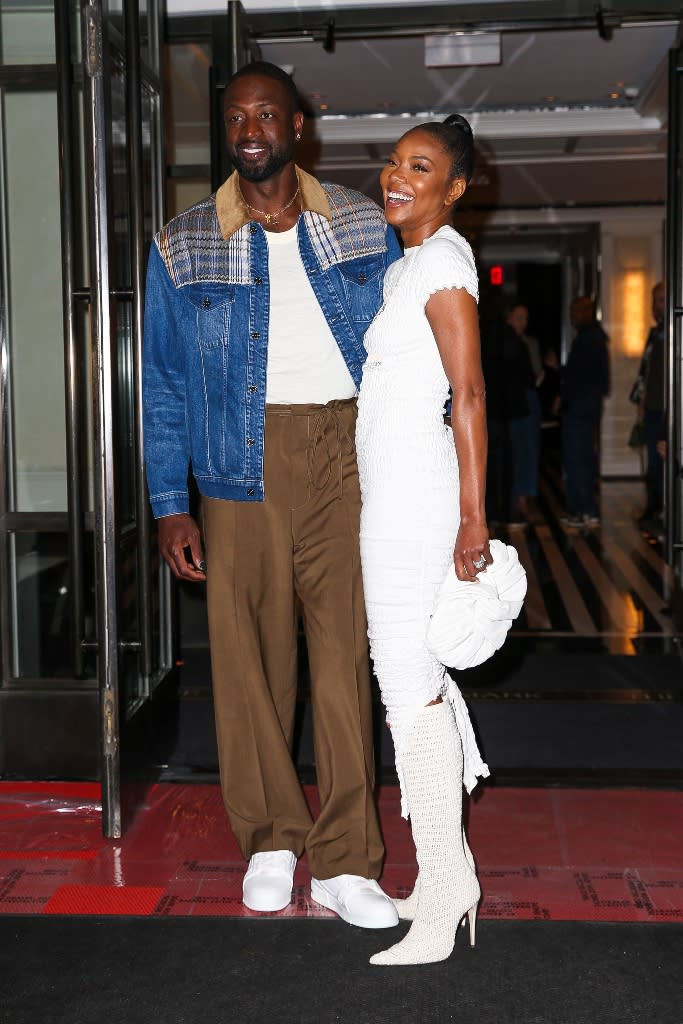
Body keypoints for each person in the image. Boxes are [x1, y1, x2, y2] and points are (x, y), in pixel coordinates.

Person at [142, 61, 403, 929]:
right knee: (250, 663)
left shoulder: (364, 226)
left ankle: (345, 859)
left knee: (342, 662)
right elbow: (165, 383)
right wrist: (167, 500)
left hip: (345, 454)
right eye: (234, 117)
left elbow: (408, 360)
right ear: (225, 130)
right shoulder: (183, 241)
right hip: (233, 465)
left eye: (265, 113)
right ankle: (270, 841)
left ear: (298, 125)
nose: (249, 128)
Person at [356, 114, 490, 965]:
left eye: (420, 167)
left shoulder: (440, 263)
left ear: (453, 189)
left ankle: (442, 897)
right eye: (394, 162)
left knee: (405, 685)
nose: (396, 177)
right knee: (412, 678)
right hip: (396, 496)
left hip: (417, 502)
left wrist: (473, 519)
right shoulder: (412, 265)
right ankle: (449, 876)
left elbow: (468, 393)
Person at [560, 296, 610, 527]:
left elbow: (579, 376)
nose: (572, 316)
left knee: (577, 459)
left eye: (575, 311)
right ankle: (585, 511)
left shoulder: (587, 339)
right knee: (583, 458)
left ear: (586, 312)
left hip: (580, 407)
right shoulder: (595, 337)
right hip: (587, 406)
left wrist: (565, 395)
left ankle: (585, 511)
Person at [502, 303, 541, 526]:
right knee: (517, 451)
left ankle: (523, 500)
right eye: (518, 317)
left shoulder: (529, 343)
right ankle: (515, 501)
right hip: (514, 403)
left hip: (527, 400)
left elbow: (534, 375)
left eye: (524, 318)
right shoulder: (505, 343)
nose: (522, 323)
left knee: (528, 451)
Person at [637, 281, 666, 528]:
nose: (657, 306)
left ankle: (662, 509)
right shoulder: (654, 333)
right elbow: (645, 372)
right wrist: (642, 401)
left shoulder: (674, 333)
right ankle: (654, 508)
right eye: (655, 301)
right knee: (654, 463)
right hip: (653, 408)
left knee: (664, 461)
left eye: (660, 300)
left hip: (670, 410)